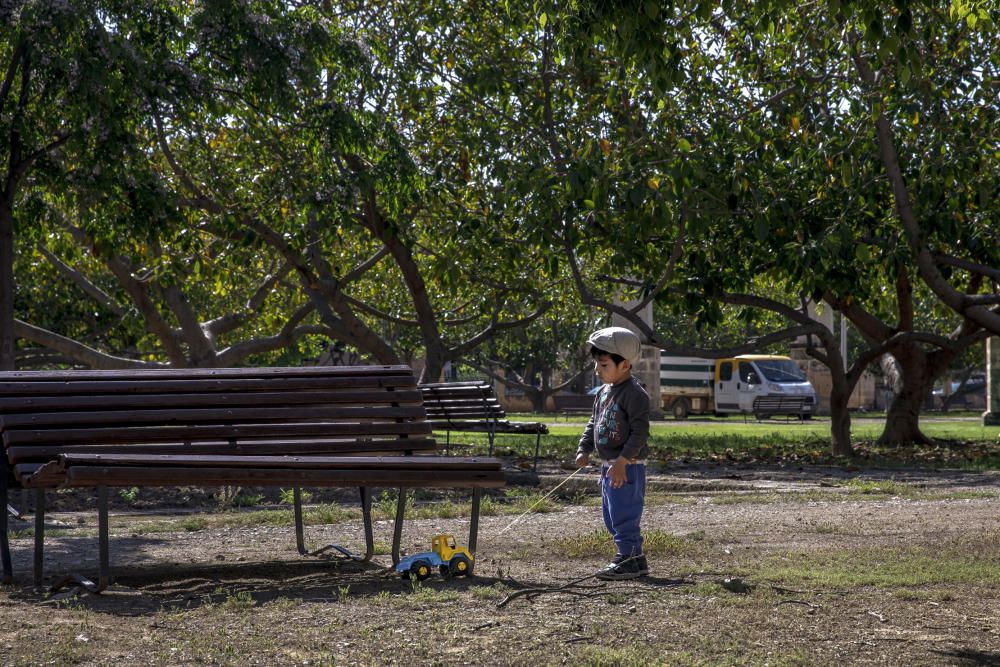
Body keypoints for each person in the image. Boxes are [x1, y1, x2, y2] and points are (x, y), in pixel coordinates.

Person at [575, 326, 651, 580]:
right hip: (608, 466)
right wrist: (584, 448)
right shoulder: (603, 393)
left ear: (625, 365)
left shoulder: (634, 393)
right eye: (597, 364)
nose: (597, 370)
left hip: (626, 466)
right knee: (610, 515)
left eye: (604, 365)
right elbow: (593, 423)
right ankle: (635, 558)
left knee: (623, 514)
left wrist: (623, 461)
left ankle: (628, 557)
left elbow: (640, 433)